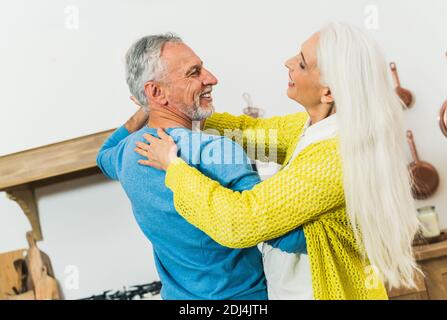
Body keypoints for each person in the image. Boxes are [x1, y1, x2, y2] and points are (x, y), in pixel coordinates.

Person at [134, 23, 421, 300]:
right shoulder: (308, 128)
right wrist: (174, 109)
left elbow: (241, 221)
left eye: (303, 63)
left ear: (328, 92)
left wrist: (174, 167)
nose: (288, 62)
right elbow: (248, 132)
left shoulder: (336, 155)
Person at [97, 34, 305, 300]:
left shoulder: (127, 154)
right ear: (156, 91)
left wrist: (146, 107)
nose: (211, 78)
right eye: (194, 72)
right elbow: (277, 232)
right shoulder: (216, 149)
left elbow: (102, 156)